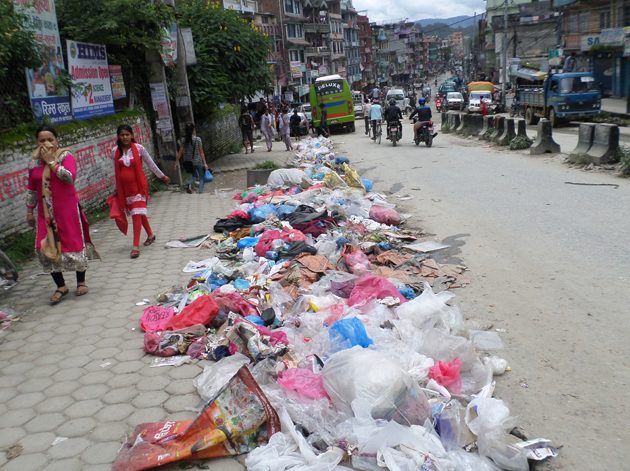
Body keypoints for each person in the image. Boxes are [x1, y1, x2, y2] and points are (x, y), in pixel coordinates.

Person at [27, 125, 98, 304]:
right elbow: (32, 190)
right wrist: (29, 210)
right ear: (37, 142)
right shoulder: (34, 163)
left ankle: (80, 281)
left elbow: (69, 177)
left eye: (50, 139)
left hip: (66, 210)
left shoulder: (66, 156)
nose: (46, 143)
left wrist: (52, 162)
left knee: (74, 244)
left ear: (57, 140)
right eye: (42, 140)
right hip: (45, 213)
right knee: (45, 247)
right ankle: (61, 286)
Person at [113, 124, 170, 259]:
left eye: (127, 134)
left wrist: (162, 176)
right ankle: (150, 235)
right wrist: (117, 190)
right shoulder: (115, 151)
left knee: (136, 214)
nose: (125, 137)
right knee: (139, 214)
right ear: (118, 137)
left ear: (132, 135)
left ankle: (135, 246)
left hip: (139, 188)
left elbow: (151, 164)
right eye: (122, 135)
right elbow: (115, 171)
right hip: (126, 191)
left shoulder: (139, 149)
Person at [176, 123, 209, 194]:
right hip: (198, 161)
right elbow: (201, 152)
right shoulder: (198, 139)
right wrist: (205, 163)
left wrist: (176, 161)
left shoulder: (183, 140)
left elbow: (180, 152)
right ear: (194, 130)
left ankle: (188, 183)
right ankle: (200, 192)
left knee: (194, 175)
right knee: (201, 177)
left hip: (188, 162)